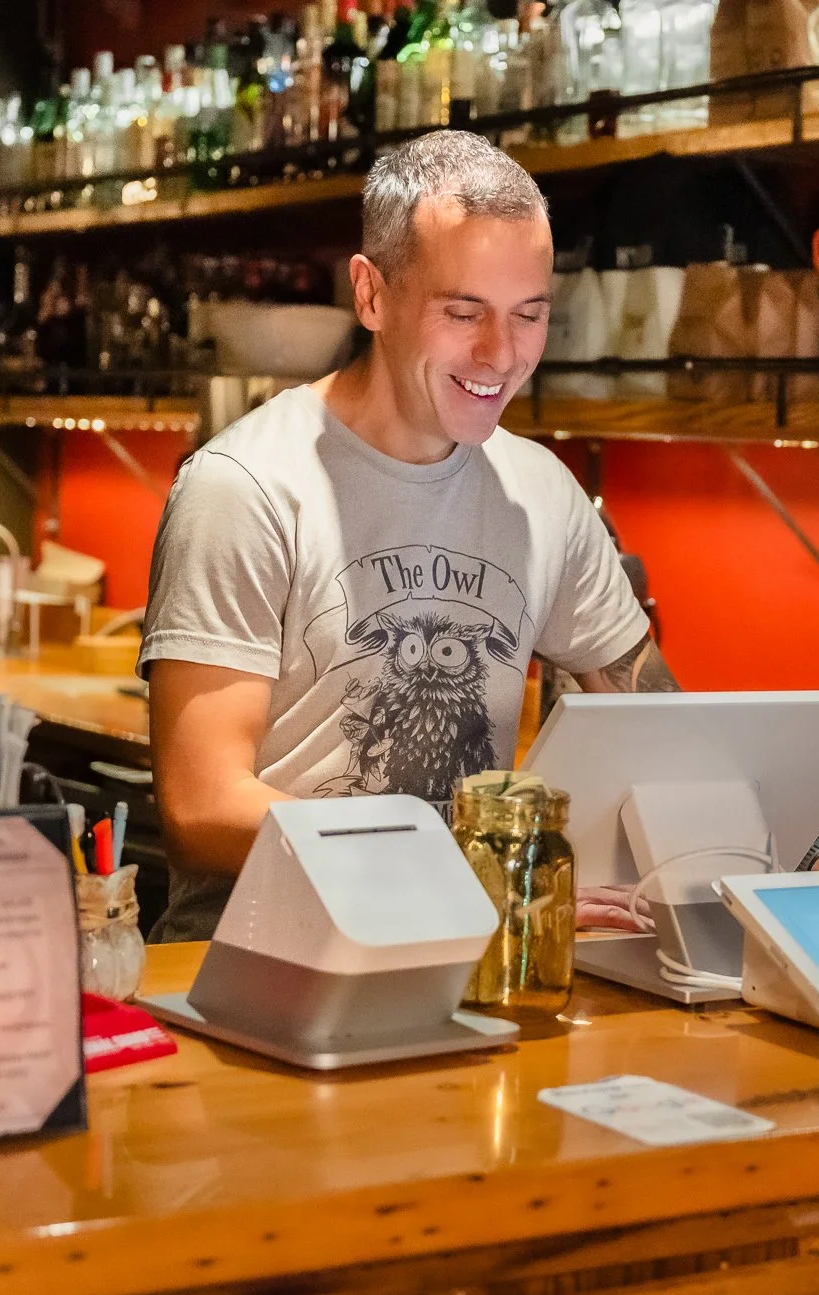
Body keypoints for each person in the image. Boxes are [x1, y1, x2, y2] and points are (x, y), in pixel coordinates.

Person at [139, 131, 677, 943]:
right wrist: (456, 860)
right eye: (463, 313)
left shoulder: (542, 496)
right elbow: (201, 806)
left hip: (459, 946)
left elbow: (672, 740)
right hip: (258, 957)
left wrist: (806, 854)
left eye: (529, 315)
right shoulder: (243, 487)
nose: (501, 354)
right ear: (372, 294)